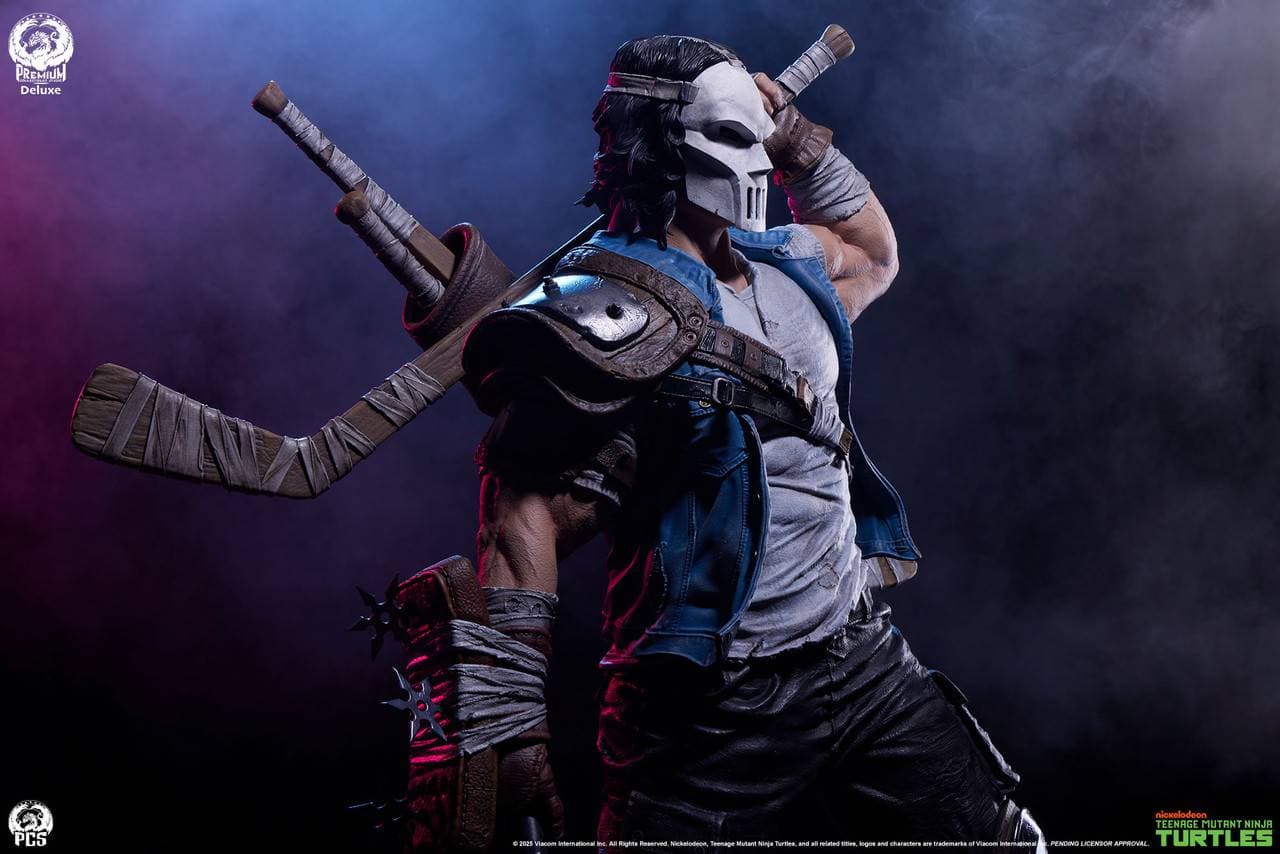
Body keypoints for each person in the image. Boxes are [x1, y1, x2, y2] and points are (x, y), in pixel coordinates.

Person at [444, 34, 1046, 849]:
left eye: (759, 136)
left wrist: (793, 136)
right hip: (709, 707)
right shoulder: (608, 315)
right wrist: (513, 727)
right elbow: (522, 517)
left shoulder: (789, 264)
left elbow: (874, 252)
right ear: (658, 149)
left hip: (857, 653)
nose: (758, 160)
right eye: (734, 137)